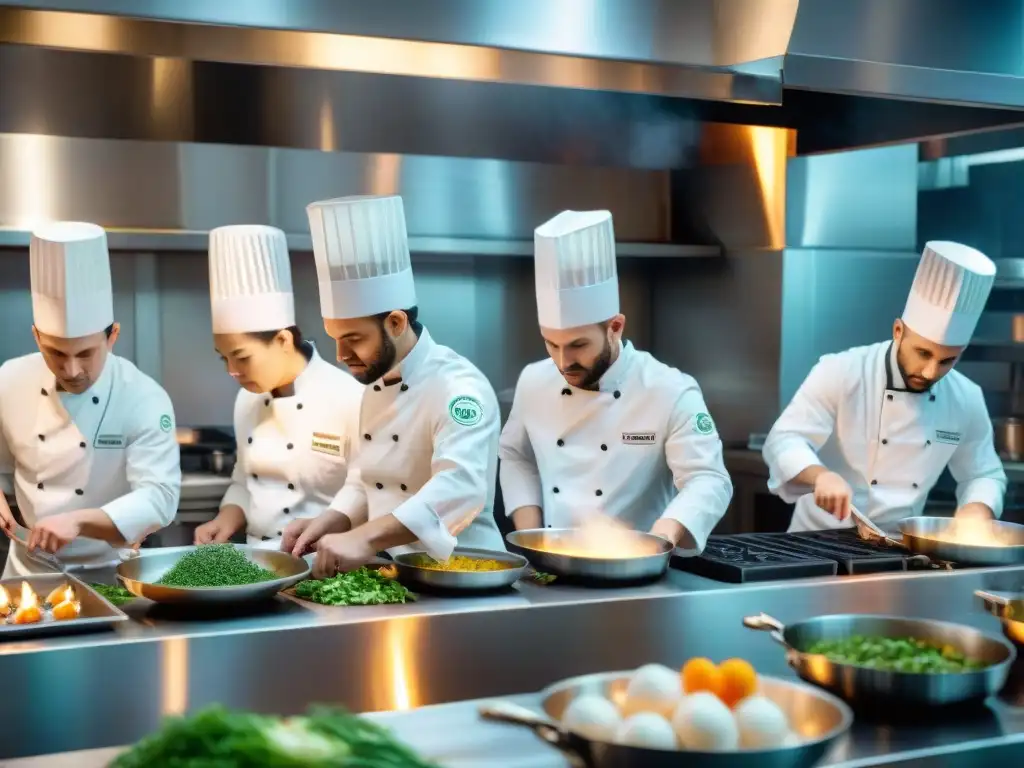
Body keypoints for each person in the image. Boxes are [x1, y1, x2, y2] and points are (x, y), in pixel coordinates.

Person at [281, 194, 505, 575]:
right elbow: (365, 476)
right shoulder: (373, 383)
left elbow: (459, 487)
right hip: (400, 571)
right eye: (335, 338)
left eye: (353, 338)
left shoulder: (459, 388)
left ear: (397, 323)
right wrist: (334, 519)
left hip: (464, 575)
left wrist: (365, 538)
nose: (340, 354)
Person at [498, 210, 733, 551]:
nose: (563, 362)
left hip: (636, 568)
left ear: (615, 327)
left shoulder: (670, 391)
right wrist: (531, 535)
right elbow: (515, 454)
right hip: (548, 565)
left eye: (578, 345)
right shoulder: (534, 380)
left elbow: (708, 479)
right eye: (551, 344)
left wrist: (660, 537)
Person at [762, 241, 1006, 532]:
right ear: (898, 331)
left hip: (899, 549)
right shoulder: (841, 371)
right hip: (816, 542)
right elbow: (785, 439)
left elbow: (984, 473)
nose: (930, 372)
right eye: (923, 353)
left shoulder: (966, 397)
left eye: (947, 361)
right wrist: (820, 476)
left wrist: (976, 509)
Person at [0, 222, 181, 577]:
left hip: (112, 575)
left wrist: (78, 521)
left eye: (85, 353)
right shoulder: (9, 380)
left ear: (112, 336)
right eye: (55, 353)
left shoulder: (143, 397)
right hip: (26, 574)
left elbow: (160, 498)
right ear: (37, 337)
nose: (71, 369)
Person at [193, 225, 364, 550]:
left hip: (325, 567)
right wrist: (226, 519)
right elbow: (244, 481)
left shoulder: (349, 398)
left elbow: (368, 492)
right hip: (256, 563)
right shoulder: (247, 399)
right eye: (223, 359)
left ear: (283, 340)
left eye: (242, 357)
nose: (232, 372)